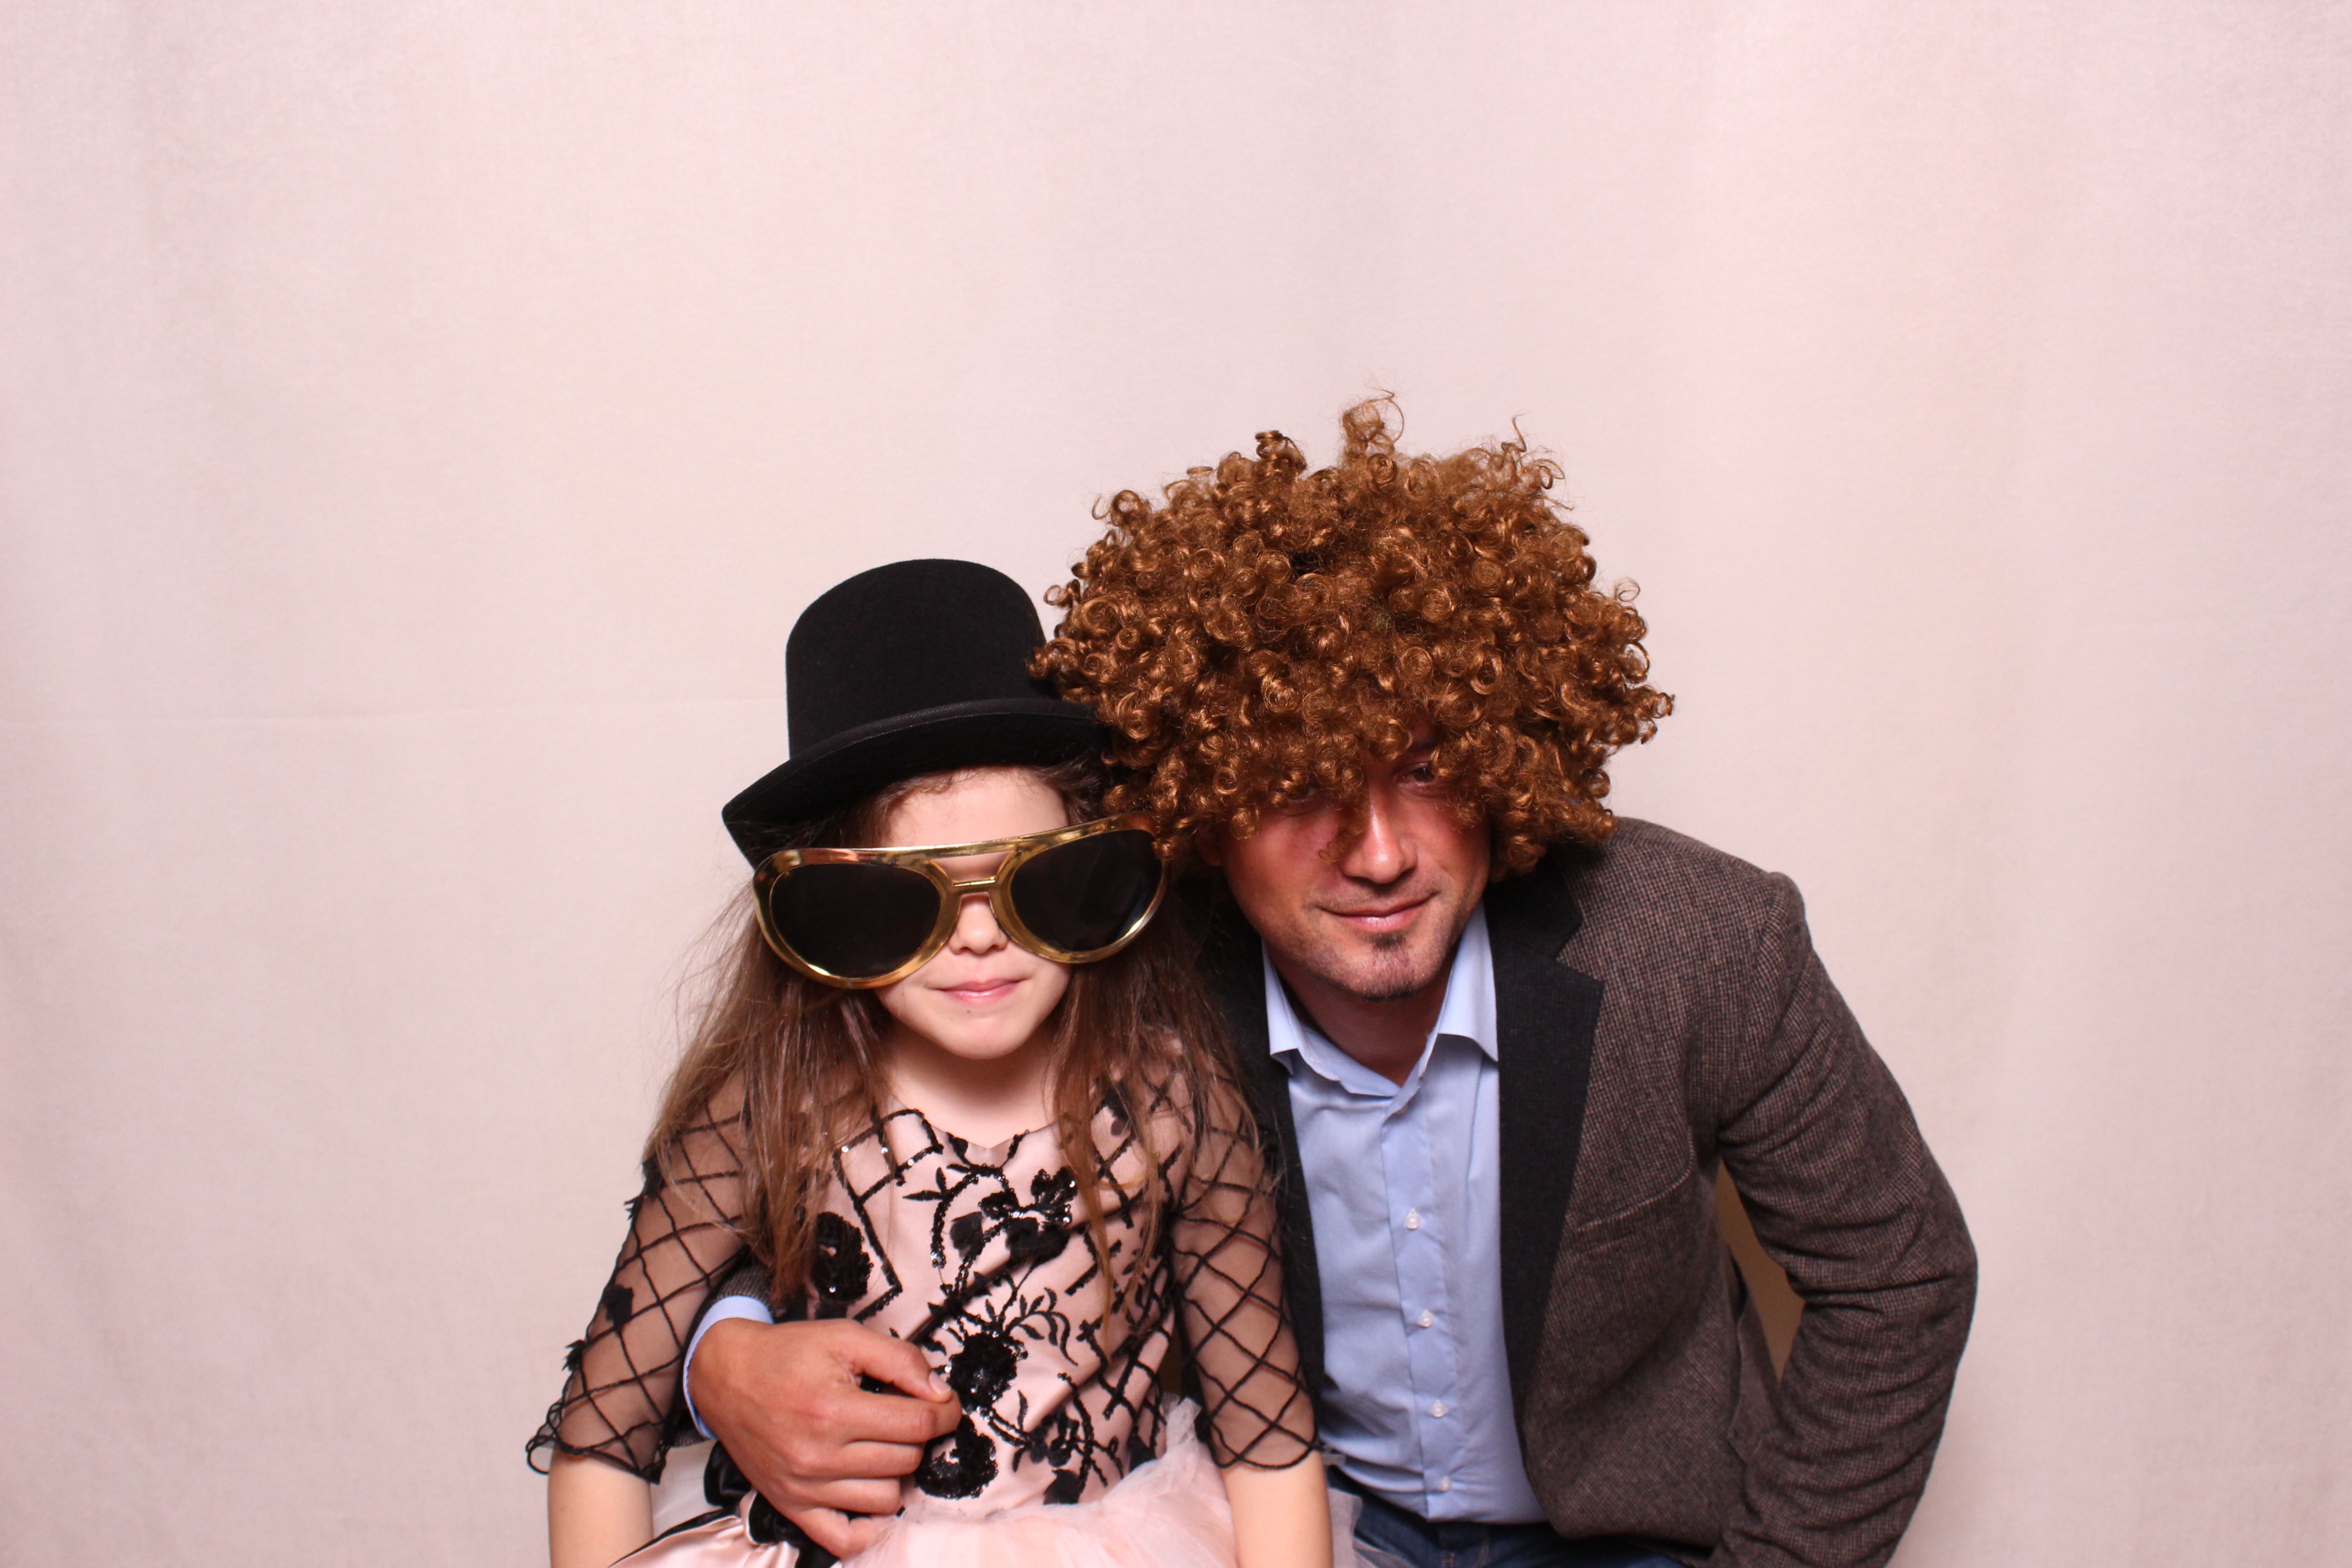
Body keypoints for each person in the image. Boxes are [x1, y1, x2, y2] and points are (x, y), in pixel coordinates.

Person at [686, 404, 1979, 1568]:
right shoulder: (1123, 962)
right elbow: (812, 1160)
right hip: (1289, 1522)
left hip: (1635, 1541)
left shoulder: (1699, 942)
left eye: (1425, 769)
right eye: (1299, 785)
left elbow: (1900, 1274)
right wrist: (724, 1358)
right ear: (1204, 799)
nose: (1379, 854)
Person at [529, 560, 1343, 1568]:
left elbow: (1269, 1443)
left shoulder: (1174, 1102)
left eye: (1032, 881)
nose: (979, 936)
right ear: (832, 910)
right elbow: (605, 1432)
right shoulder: (768, 1101)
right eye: (907, 899)